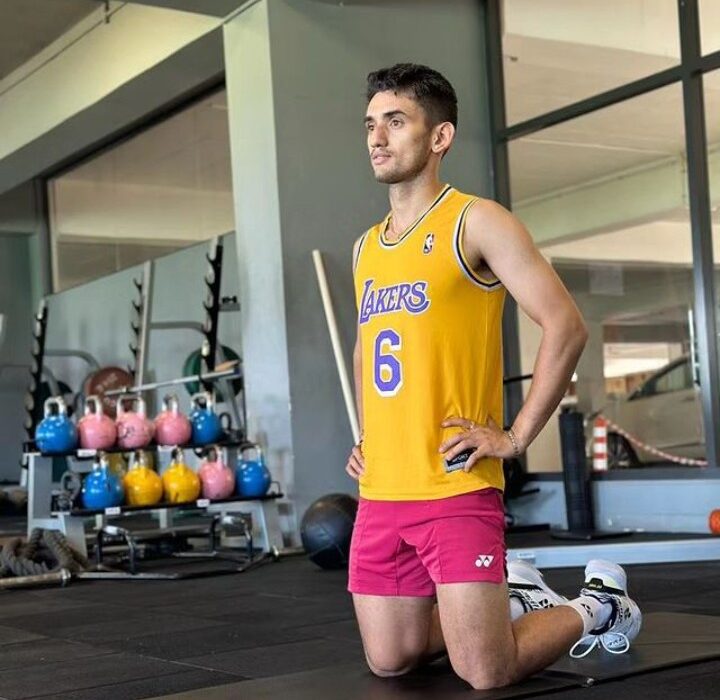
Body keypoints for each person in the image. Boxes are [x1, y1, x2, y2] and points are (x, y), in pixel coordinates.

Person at [345, 63, 641, 690]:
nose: (377, 137)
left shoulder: (476, 222)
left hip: (454, 485)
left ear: (440, 136)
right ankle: (515, 600)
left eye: (395, 122)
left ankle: (599, 605)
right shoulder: (366, 247)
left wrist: (515, 437)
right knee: (390, 660)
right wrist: (367, 433)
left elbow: (566, 326)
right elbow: (366, 346)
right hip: (382, 490)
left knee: (484, 671)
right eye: (371, 124)